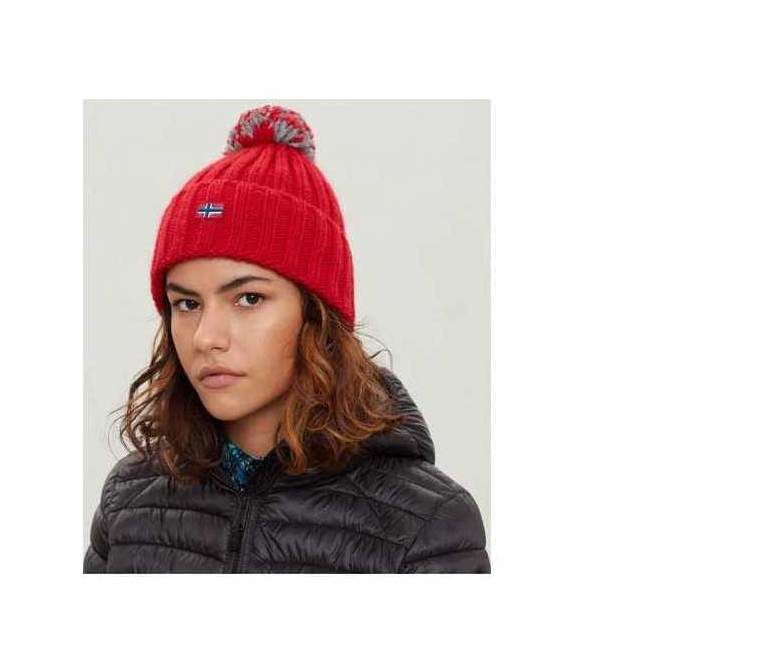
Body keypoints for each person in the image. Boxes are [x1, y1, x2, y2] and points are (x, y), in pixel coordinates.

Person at [84, 104, 489, 573]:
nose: (206, 338)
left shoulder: (425, 525)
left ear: (316, 314)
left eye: (249, 298)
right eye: (187, 304)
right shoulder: (129, 502)